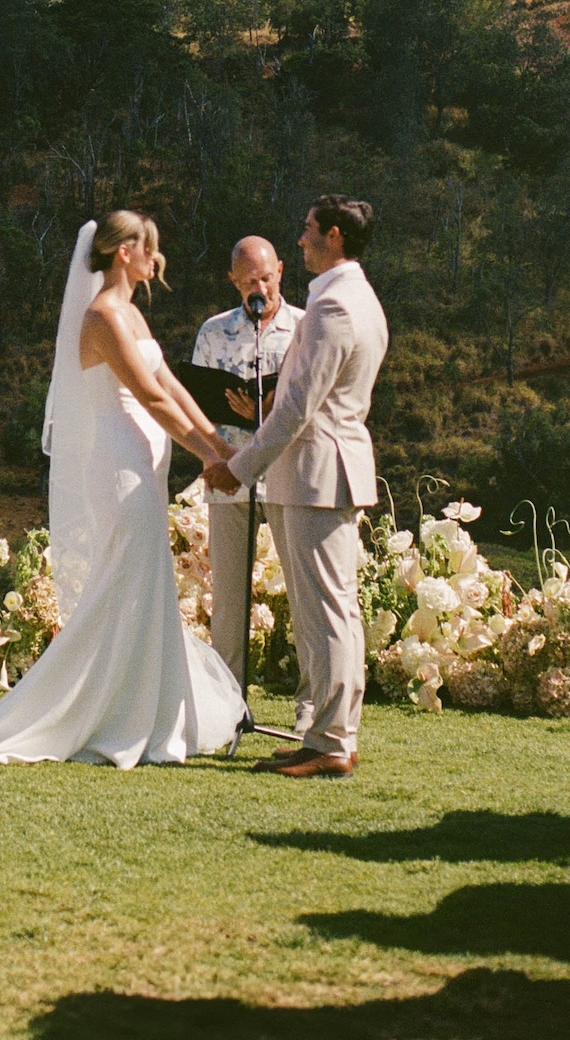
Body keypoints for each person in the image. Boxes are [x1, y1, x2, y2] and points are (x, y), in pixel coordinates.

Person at [0, 212, 246, 768]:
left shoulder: (130, 313)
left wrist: (221, 446)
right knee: (124, 581)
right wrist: (211, 459)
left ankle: (147, 708)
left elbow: (172, 385)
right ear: (122, 251)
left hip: (146, 459)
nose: (157, 255)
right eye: (147, 244)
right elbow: (150, 398)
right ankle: (107, 711)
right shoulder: (102, 316)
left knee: (144, 581)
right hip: (120, 460)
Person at [207, 195, 389, 780]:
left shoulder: (336, 304)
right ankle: (321, 736)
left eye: (308, 231)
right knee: (321, 613)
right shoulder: (347, 295)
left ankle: (333, 742)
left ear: (334, 236)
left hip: (319, 473)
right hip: (310, 472)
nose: (302, 240)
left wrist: (238, 466)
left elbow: (296, 410)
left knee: (329, 612)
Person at [192, 236, 303, 690]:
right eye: (248, 281)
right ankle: (228, 702)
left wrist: (264, 412)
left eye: (266, 277)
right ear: (233, 281)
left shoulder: (305, 328)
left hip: (288, 476)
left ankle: (311, 705)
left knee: (303, 592)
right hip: (230, 475)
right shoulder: (214, 332)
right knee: (229, 601)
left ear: (280, 271)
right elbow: (196, 406)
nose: (260, 287)